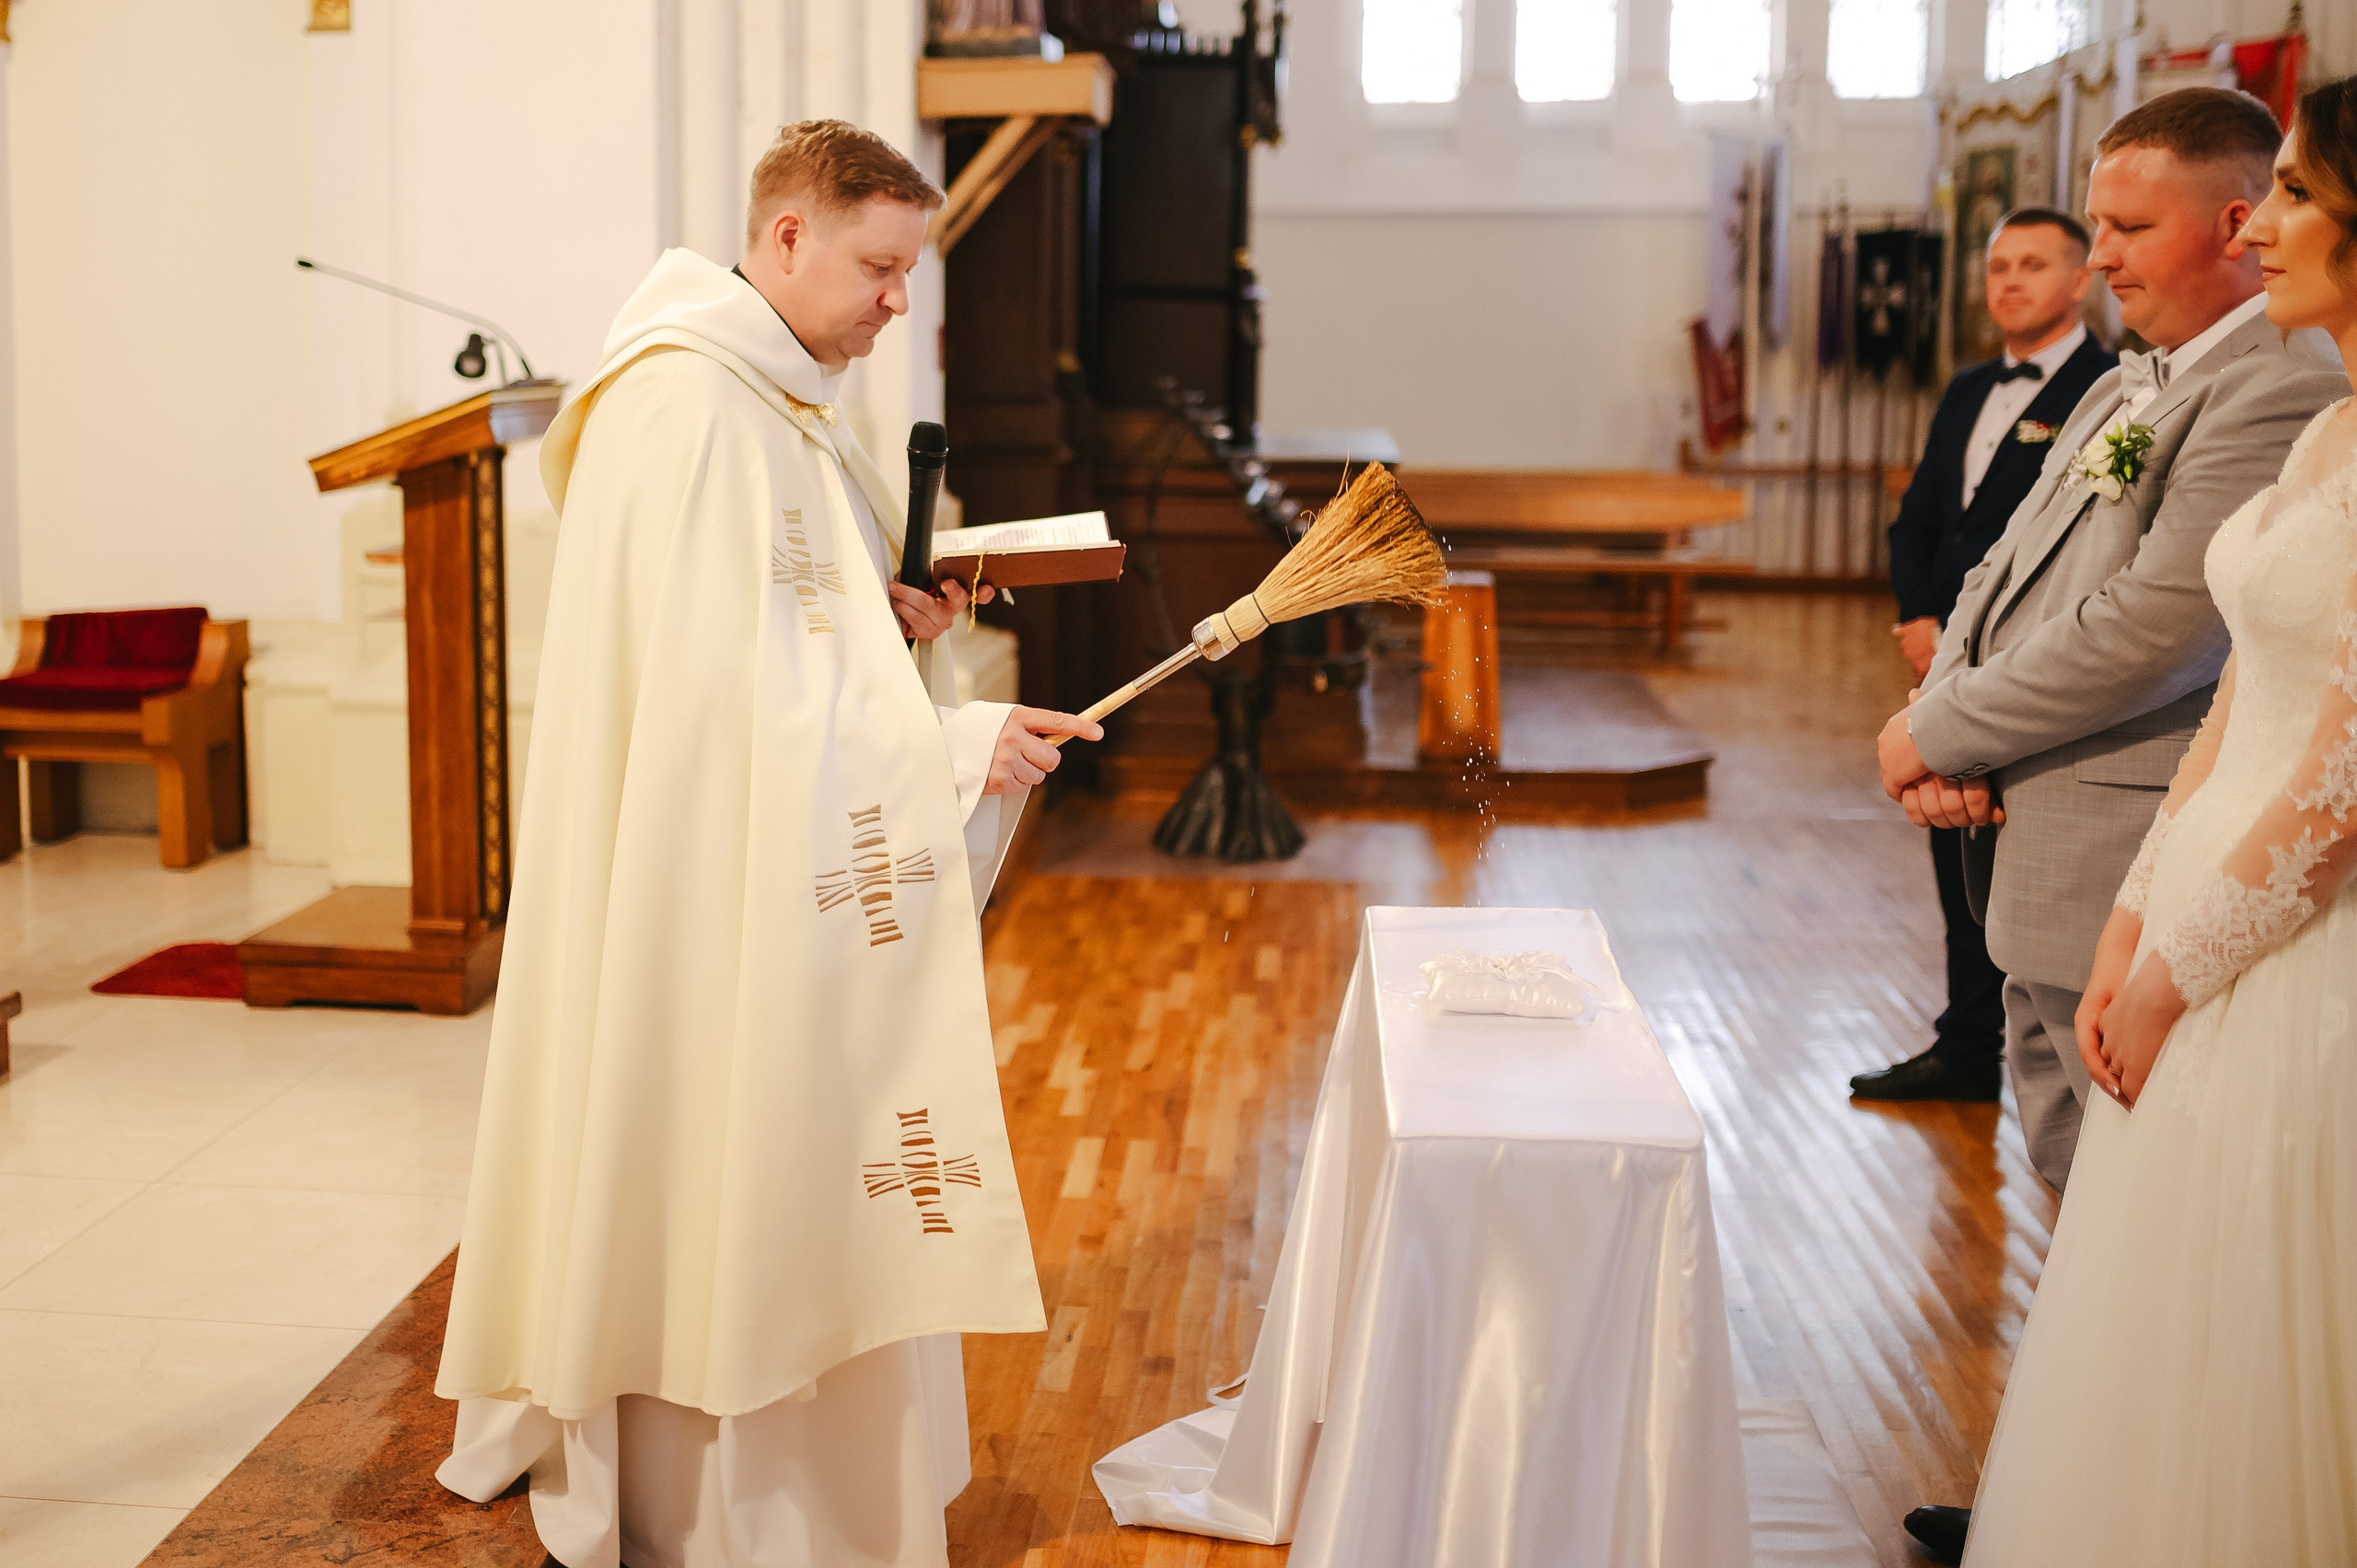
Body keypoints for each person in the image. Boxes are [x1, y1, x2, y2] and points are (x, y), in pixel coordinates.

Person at [431, 120, 1101, 1568]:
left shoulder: (774, 400)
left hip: (750, 853)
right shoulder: (689, 410)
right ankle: (732, 1493)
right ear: (787, 237)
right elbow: (721, 705)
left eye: (907, 271)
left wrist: (894, 602)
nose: (895, 303)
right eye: (878, 267)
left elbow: (780, 627)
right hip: (698, 883)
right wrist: (957, 745)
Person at [1873, 86, 2349, 1564]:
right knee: (2085, 1187)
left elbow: (2157, 626)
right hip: (2106, 848)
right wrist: (1933, 722)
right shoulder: (2146, 381)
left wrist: (1944, 729)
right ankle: (2082, 1478)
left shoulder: (2270, 385)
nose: (2099, 265)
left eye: (2131, 230)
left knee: (2166, 1218)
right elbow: (2004, 562)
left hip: (2206, 873)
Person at [1854, 208, 2117, 1104]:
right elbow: (1923, 518)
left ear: (2080, 279)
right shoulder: (1967, 388)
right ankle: (1967, 1044)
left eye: (2033, 263)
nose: (2008, 280)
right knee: (1952, 851)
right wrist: (1918, 614)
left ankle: (2042, 1059)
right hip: (1941, 656)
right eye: (1998, 265)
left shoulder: (2107, 389)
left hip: (2034, 665)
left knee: (2023, 860)